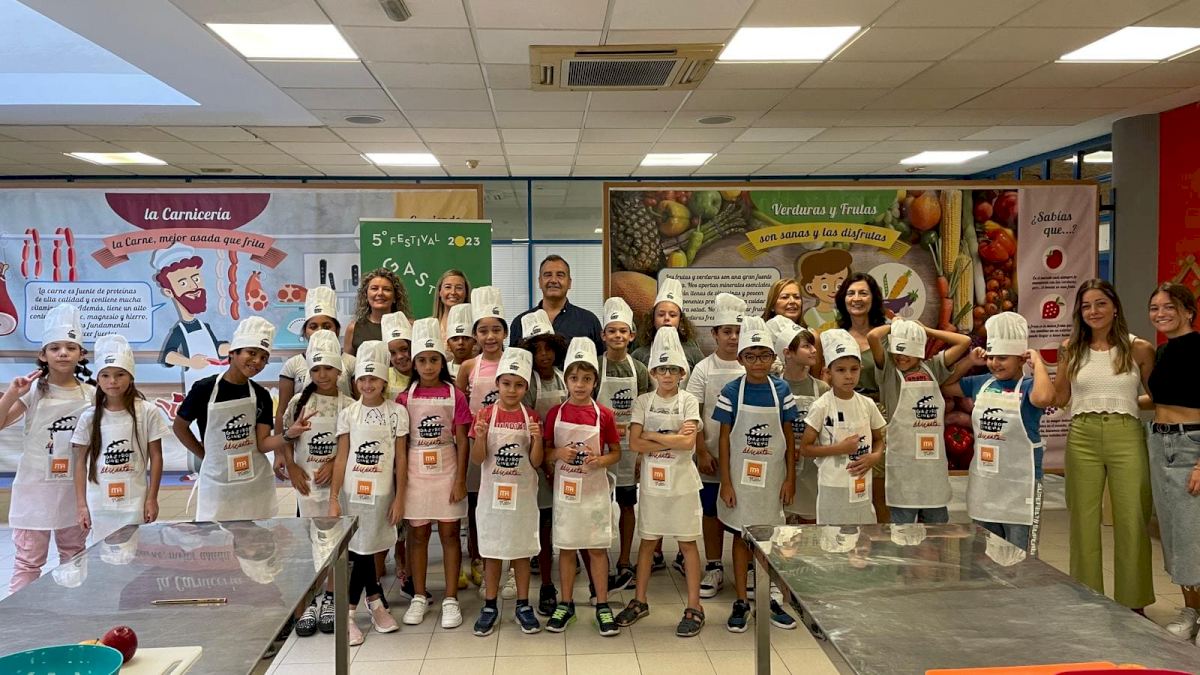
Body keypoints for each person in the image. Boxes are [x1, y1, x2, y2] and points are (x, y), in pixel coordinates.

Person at [1052, 279, 1155, 612]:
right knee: (1083, 519)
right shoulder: (1070, 348)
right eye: (1086, 306)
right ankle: (1087, 600)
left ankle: (1133, 602)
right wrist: (1038, 367)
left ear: (1115, 307)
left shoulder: (1139, 348)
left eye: (1100, 303)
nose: (1093, 311)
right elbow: (1060, 397)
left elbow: (1157, 397)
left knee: (1132, 517)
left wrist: (1124, 401)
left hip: (1126, 434)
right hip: (1082, 434)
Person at [616, 327, 706, 638]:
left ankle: (694, 606)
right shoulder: (643, 401)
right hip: (653, 487)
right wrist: (671, 437)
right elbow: (635, 444)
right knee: (647, 542)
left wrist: (652, 435)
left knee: (687, 544)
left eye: (673, 369)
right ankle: (640, 601)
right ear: (653, 372)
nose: (667, 375)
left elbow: (688, 443)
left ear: (683, 373)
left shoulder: (689, 401)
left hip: (682, 487)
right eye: (662, 369)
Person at [0, 304, 94, 593]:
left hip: (73, 489)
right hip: (34, 489)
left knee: (74, 557)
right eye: (55, 348)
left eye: (70, 347)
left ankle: (72, 610)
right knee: (28, 562)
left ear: (81, 354)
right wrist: (11, 393)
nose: (63, 353)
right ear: (43, 355)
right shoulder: (32, 390)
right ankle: (21, 615)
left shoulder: (92, 394)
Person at [942, 312, 1053, 552]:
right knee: (984, 558)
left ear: (1021, 358)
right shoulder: (981, 383)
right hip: (985, 485)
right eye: (991, 357)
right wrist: (970, 361)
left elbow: (1045, 398)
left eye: (1002, 358)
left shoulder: (1029, 386)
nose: (994, 363)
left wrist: (1039, 363)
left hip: (1021, 485)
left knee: (1021, 557)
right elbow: (946, 385)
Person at [715, 317, 797, 633]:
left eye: (764, 355)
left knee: (767, 540)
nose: (758, 362)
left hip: (772, 480)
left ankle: (766, 598)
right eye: (751, 356)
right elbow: (724, 440)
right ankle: (740, 600)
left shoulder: (782, 390)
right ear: (741, 359)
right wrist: (726, 482)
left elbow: (789, 437)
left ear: (773, 357)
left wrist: (790, 478)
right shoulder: (731, 391)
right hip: (740, 481)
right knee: (741, 536)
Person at [328, 340, 408, 646]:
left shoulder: (397, 413)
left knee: (369, 548)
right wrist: (333, 498)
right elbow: (341, 457)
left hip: (382, 494)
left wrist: (400, 498)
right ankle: (355, 611)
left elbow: (401, 459)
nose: (367, 384)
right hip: (353, 493)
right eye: (362, 379)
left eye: (374, 378)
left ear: (385, 381)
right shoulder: (349, 413)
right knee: (359, 550)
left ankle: (372, 602)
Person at [544, 338, 621, 636]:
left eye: (586, 379)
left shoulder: (604, 415)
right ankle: (566, 603)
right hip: (566, 493)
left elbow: (616, 452)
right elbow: (545, 452)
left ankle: (602, 603)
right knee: (566, 548)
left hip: (594, 493)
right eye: (574, 378)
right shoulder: (555, 414)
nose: (580, 385)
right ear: (566, 380)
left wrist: (601, 460)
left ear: (595, 382)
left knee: (597, 548)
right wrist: (557, 453)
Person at [173, 316, 285, 522]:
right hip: (218, 483)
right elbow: (180, 427)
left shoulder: (261, 395)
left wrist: (289, 435)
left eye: (264, 357)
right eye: (252, 353)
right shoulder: (204, 389)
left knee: (257, 538)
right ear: (233, 352)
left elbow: (262, 444)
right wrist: (204, 455)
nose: (257, 361)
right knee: (216, 536)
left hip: (254, 483)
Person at [399, 318, 471, 629]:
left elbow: (463, 441)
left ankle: (451, 598)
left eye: (433, 360)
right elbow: (401, 445)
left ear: (442, 362)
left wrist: (460, 480)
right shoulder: (404, 398)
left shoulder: (456, 395)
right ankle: (418, 595)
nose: (428, 367)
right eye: (422, 360)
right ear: (414, 364)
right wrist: (402, 484)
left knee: (450, 534)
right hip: (415, 471)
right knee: (417, 535)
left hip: (447, 468)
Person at [280, 329, 352, 637]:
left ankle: (332, 597)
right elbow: (285, 437)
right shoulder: (298, 402)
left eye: (328, 368)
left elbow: (351, 445)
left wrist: (334, 463)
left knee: (335, 540)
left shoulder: (348, 404)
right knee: (309, 542)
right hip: (306, 485)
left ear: (339, 371)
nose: (323, 375)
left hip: (337, 485)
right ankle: (310, 598)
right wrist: (292, 466)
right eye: (316, 369)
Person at [469, 348, 544, 636]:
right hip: (492, 497)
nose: (512, 390)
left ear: (526, 388)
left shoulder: (531, 416)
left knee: (521, 551)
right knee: (492, 551)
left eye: (519, 385)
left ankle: (523, 604)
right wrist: (480, 436)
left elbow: (536, 462)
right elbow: (478, 459)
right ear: (497, 384)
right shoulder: (485, 415)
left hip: (522, 496)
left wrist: (537, 439)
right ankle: (490, 605)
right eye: (507, 384)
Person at [868, 319, 971, 523]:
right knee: (902, 532)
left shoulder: (934, 367)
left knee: (936, 531)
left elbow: (964, 342)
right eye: (897, 352)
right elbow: (872, 337)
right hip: (903, 465)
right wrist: (895, 326)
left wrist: (925, 330)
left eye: (907, 352)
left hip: (932, 468)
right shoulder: (889, 371)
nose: (901, 357)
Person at [1144, 283, 1200, 640]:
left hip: (1191, 444)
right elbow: (1160, 399)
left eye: (1169, 306)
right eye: (1154, 308)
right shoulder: (1163, 352)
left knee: (1194, 532)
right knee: (1176, 534)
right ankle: (1191, 609)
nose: (1160, 313)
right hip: (1160, 442)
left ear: (1189, 311)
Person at [73, 334, 167, 542]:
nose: (112, 381)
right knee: (103, 553)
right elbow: (79, 463)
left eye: (120, 374)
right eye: (105, 375)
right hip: (99, 502)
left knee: (136, 552)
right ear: (98, 379)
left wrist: (151, 498)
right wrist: (81, 505)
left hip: (135, 500)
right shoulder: (89, 417)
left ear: (131, 377)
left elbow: (156, 456)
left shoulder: (147, 411)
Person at [686, 293, 746, 599]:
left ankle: (747, 566)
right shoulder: (703, 369)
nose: (733, 337)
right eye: (727, 331)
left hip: (746, 456)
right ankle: (714, 565)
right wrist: (701, 451)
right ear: (714, 334)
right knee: (710, 511)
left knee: (743, 510)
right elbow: (693, 413)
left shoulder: (752, 366)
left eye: (738, 331)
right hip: (710, 454)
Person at [801, 329, 885, 525]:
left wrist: (875, 456)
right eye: (841, 370)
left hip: (862, 484)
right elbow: (805, 448)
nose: (848, 376)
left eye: (854, 369)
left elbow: (878, 438)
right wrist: (840, 448)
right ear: (828, 372)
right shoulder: (821, 406)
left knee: (862, 535)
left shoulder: (867, 404)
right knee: (833, 536)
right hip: (833, 485)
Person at [597, 297, 653, 590]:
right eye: (612, 331)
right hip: (601, 448)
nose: (617, 336)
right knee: (600, 505)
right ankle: (599, 558)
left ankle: (624, 559)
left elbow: (644, 410)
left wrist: (642, 452)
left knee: (627, 504)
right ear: (603, 335)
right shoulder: (596, 366)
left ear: (631, 335)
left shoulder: (640, 369)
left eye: (623, 331)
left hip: (630, 448)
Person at [518, 309, 569, 616]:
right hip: (536, 462)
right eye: (537, 350)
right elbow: (528, 430)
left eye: (548, 349)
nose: (544, 355)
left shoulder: (565, 377)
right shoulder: (528, 384)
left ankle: (566, 577)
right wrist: (545, 466)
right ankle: (546, 582)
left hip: (565, 460)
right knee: (542, 523)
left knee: (562, 522)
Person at [456, 286, 507, 594]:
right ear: (475, 335)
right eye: (483, 331)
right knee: (477, 505)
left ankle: (505, 560)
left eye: (496, 330)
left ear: (505, 333)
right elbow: (461, 411)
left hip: (508, 443)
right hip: (478, 444)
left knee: (505, 502)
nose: (490, 337)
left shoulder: (514, 360)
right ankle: (478, 558)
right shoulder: (468, 367)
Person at [766, 315, 829, 523]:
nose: (814, 350)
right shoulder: (772, 387)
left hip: (812, 469)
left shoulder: (822, 388)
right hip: (780, 467)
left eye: (813, 345)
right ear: (787, 353)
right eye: (806, 346)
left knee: (810, 528)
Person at [276, 286, 352, 437]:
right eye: (313, 326)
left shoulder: (351, 362)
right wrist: (280, 448)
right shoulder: (293, 364)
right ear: (305, 332)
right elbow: (282, 412)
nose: (320, 331)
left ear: (337, 330)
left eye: (326, 326)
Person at [152, 244, 229, 389]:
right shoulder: (180, 330)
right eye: (183, 283)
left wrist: (234, 348)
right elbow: (168, 355)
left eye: (196, 279)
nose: (194, 286)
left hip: (217, 384)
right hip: (196, 387)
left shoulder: (204, 326)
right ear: (169, 292)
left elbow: (216, 348)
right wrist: (190, 362)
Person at [510, 255, 603, 353]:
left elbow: (601, 359)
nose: (553, 280)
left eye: (560, 275)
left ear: (569, 283)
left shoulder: (589, 321)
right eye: (548, 275)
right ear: (540, 282)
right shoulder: (521, 322)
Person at [631, 277, 705, 370]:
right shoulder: (639, 355)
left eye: (672, 315)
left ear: (680, 320)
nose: (666, 318)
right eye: (661, 314)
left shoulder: (693, 354)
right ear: (653, 319)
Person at [344, 268, 411, 355]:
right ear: (366, 295)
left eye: (386, 289)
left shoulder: (409, 326)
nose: (380, 293)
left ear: (395, 297)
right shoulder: (353, 329)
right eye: (374, 288)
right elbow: (347, 363)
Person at [797, 249, 852, 331]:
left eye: (839, 286)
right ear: (810, 288)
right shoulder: (811, 315)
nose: (833, 291)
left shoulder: (838, 313)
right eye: (825, 286)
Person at [381, 311, 413, 401]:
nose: (399, 356)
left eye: (404, 349)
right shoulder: (384, 377)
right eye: (392, 353)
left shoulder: (426, 375)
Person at [433, 269, 471, 340]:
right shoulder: (430, 326)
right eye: (448, 287)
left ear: (466, 293)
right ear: (440, 292)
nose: (453, 292)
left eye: (459, 288)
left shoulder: (475, 325)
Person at [445, 303, 475, 380]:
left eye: (466, 338)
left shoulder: (481, 367)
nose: (460, 342)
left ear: (475, 341)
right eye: (455, 339)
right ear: (448, 343)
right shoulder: (443, 370)